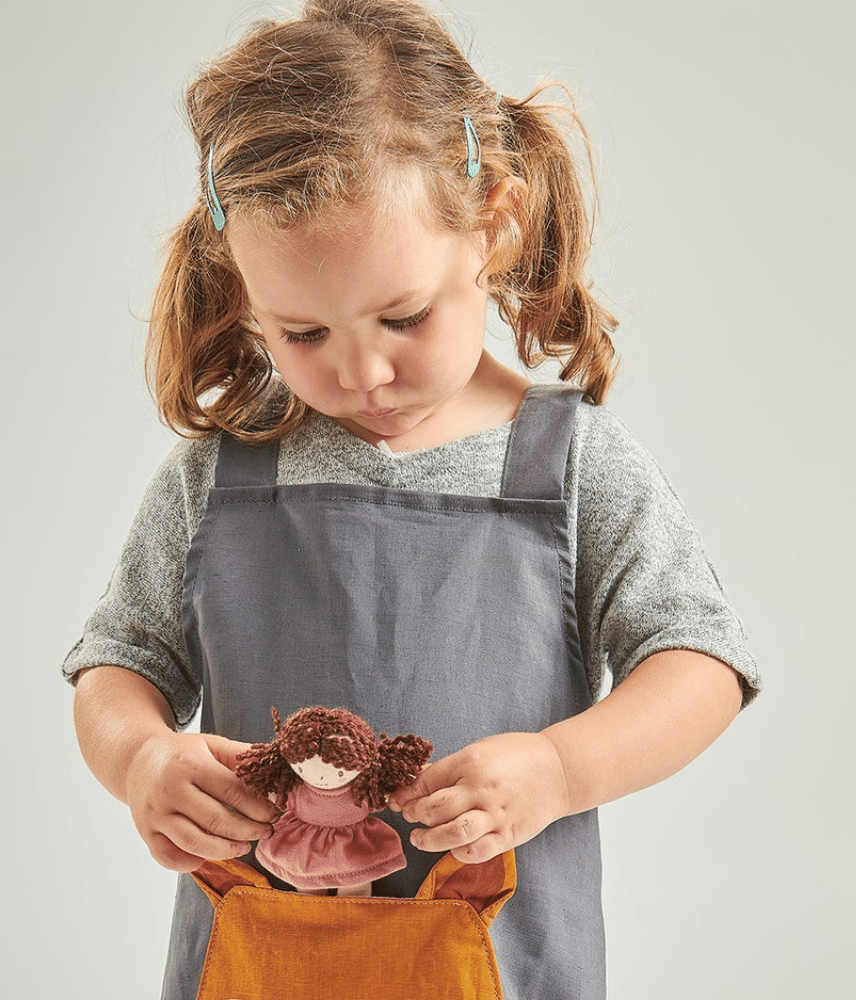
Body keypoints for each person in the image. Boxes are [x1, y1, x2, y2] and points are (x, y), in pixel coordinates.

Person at [63, 1, 761, 997]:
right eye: (300, 334)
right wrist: (140, 759)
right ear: (244, 291)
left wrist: (561, 769)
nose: (363, 372)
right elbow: (117, 666)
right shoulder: (216, 478)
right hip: (260, 968)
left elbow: (700, 663)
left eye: (401, 315)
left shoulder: (567, 467)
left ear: (495, 225)